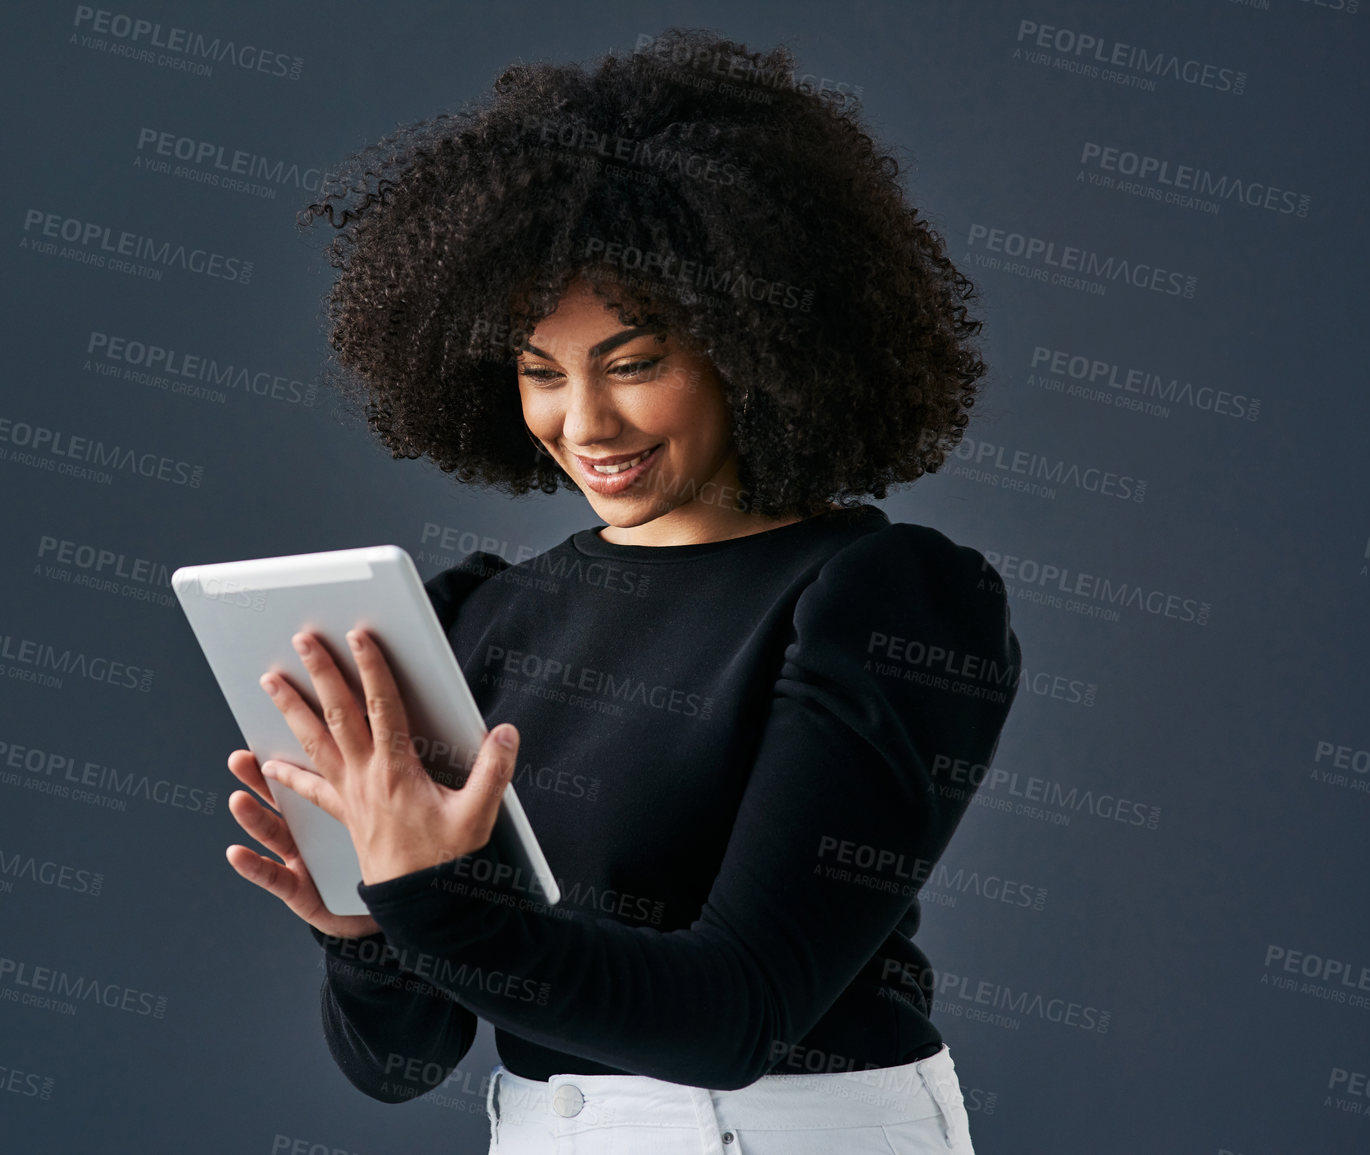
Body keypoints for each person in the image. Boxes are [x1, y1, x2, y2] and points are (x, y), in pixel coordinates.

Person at [222, 27, 1021, 1154]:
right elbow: (403, 1067)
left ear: (756, 343)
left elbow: (733, 1017)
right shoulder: (483, 617)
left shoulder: (886, 601)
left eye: (633, 364)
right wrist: (365, 924)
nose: (583, 425)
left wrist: (435, 901)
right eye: (541, 373)